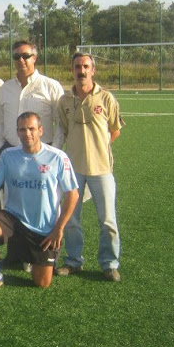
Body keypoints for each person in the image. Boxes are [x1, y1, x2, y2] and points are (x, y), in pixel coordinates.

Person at [0, 112, 79, 292]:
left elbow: (72, 194)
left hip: (44, 228)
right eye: (22, 129)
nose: (27, 134)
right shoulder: (8, 156)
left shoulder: (57, 157)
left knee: (42, 283)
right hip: (13, 219)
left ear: (41, 130)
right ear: (17, 132)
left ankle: (30, 257)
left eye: (32, 129)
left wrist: (59, 228)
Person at [57, 52, 124, 282]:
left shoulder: (106, 99)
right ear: (72, 69)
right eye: (77, 66)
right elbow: (65, 131)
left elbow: (115, 130)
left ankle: (109, 263)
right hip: (73, 170)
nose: (81, 70)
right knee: (72, 219)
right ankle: (74, 261)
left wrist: (98, 150)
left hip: (101, 170)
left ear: (93, 70)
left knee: (107, 220)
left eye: (86, 66)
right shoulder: (65, 101)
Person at [0, 41, 64, 154]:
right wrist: (0, 145)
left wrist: (54, 149)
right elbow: (0, 121)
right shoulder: (6, 87)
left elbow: (61, 123)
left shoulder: (51, 86)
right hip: (10, 151)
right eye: (16, 57)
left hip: (42, 152)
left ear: (34, 58)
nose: (21, 60)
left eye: (25, 56)